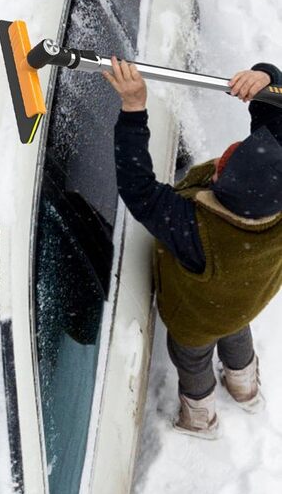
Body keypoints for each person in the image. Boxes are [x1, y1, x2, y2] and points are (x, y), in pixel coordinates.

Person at [103, 57, 282, 439]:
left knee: (193, 358)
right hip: (242, 302)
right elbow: (277, 124)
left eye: (224, 164)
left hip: (198, 319)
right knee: (235, 334)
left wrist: (134, 108)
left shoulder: (196, 230)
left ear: (221, 180)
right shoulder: (274, 198)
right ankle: (245, 388)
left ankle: (200, 417)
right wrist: (267, 79)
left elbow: (139, 189)